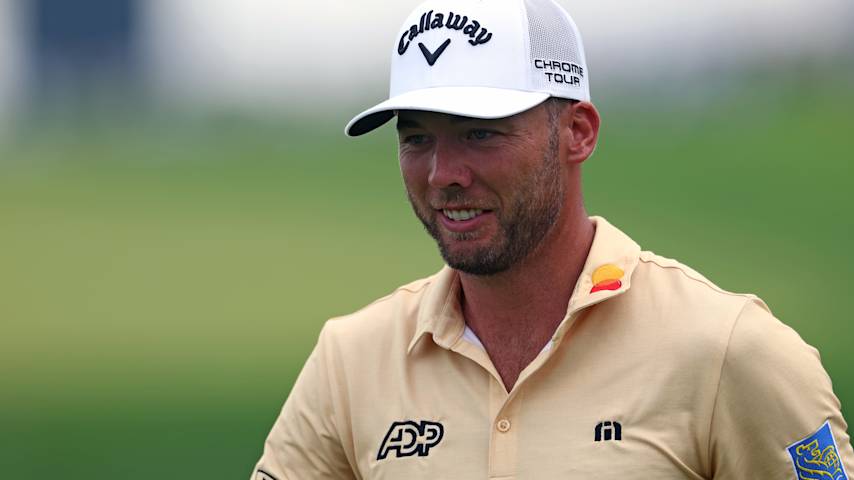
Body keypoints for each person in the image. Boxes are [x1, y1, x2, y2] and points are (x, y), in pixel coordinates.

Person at [252, 0, 853, 478]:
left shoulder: (730, 352)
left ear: (577, 132)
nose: (443, 174)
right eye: (416, 139)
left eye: (480, 134)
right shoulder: (351, 361)